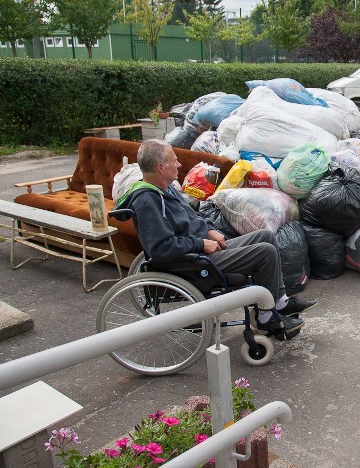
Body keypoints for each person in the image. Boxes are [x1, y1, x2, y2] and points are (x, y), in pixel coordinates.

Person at [116, 139, 318, 337]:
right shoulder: (147, 201)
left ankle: (280, 301)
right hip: (190, 262)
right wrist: (201, 243)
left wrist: (209, 230)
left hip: (199, 250)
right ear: (160, 167)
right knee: (265, 252)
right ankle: (266, 318)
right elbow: (160, 248)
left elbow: (193, 217)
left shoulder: (166, 189)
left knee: (265, 236)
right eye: (174, 160)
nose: (178, 164)